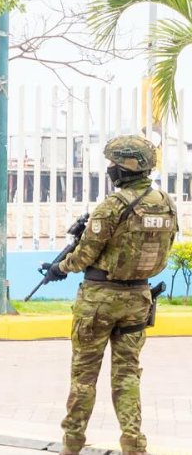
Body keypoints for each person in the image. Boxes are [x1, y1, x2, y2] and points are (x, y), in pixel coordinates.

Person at [48, 135, 178, 455]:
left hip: (99, 300)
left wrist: (59, 267)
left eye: (112, 163)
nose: (109, 168)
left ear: (124, 167)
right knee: (128, 374)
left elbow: (84, 256)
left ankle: (72, 444)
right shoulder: (166, 203)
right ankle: (133, 444)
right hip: (139, 298)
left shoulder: (112, 206)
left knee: (84, 376)